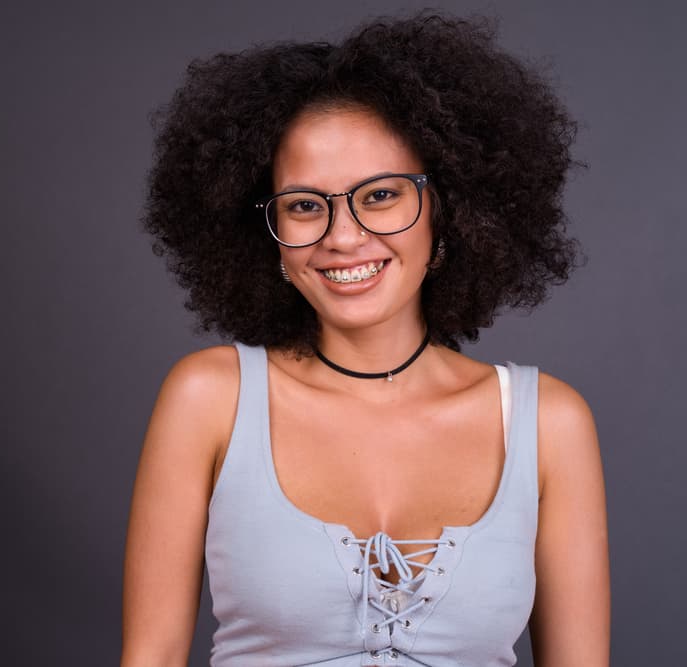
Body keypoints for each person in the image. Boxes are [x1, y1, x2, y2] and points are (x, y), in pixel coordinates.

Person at [122, 13, 609, 667]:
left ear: (448, 207)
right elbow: (148, 654)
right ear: (260, 228)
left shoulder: (548, 422)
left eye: (379, 195)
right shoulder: (210, 398)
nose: (342, 237)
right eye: (302, 204)